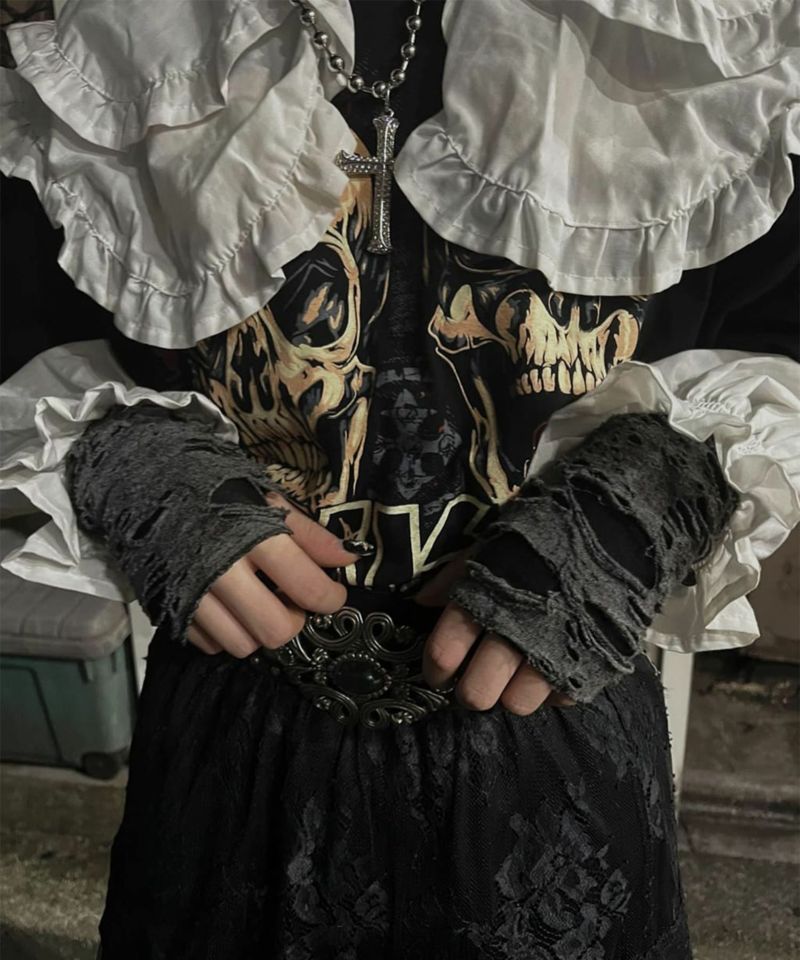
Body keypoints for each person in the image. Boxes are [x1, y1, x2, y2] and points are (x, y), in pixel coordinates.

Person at [1, 1, 798, 957]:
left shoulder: (707, 29)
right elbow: (30, 315)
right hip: (235, 735)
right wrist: (137, 465)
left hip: (553, 738)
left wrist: (635, 509)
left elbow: (777, 323)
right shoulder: (117, 28)